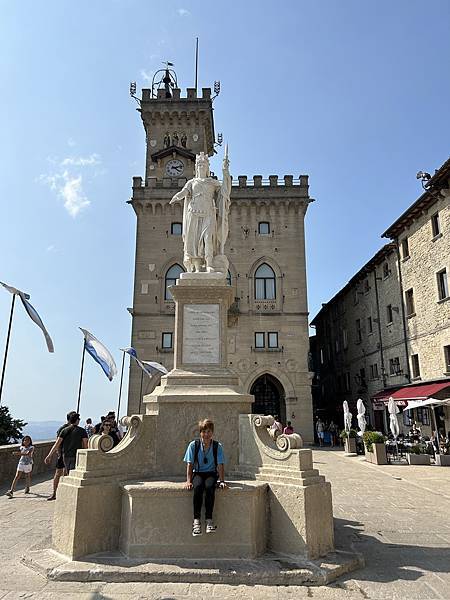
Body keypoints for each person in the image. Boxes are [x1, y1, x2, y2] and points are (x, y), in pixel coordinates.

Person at [169, 151, 231, 273]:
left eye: (204, 164)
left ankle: (209, 264)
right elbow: (184, 192)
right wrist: (177, 197)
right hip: (193, 213)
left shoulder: (212, 182)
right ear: (196, 167)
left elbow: (224, 191)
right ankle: (197, 268)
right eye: (199, 165)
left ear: (208, 167)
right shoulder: (192, 182)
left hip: (208, 213)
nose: (201, 166)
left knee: (208, 238)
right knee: (194, 242)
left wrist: (225, 172)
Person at [183, 419, 226, 536]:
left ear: (212, 432)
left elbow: (220, 464)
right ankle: (196, 521)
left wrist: (222, 481)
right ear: (200, 432)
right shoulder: (193, 445)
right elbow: (189, 464)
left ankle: (209, 521)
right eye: (204, 432)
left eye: (209, 431)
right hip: (197, 473)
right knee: (197, 488)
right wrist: (188, 481)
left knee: (209, 487)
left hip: (211, 473)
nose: (206, 434)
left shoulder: (217, 446)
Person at [46, 411, 76, 501]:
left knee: (66, 474)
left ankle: (64, 493)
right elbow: (58, 441)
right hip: (63, 454)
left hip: (70, 454)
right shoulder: (63, 429)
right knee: (59, 473)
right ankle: (54, 493)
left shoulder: (74, 428)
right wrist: (58, 453)